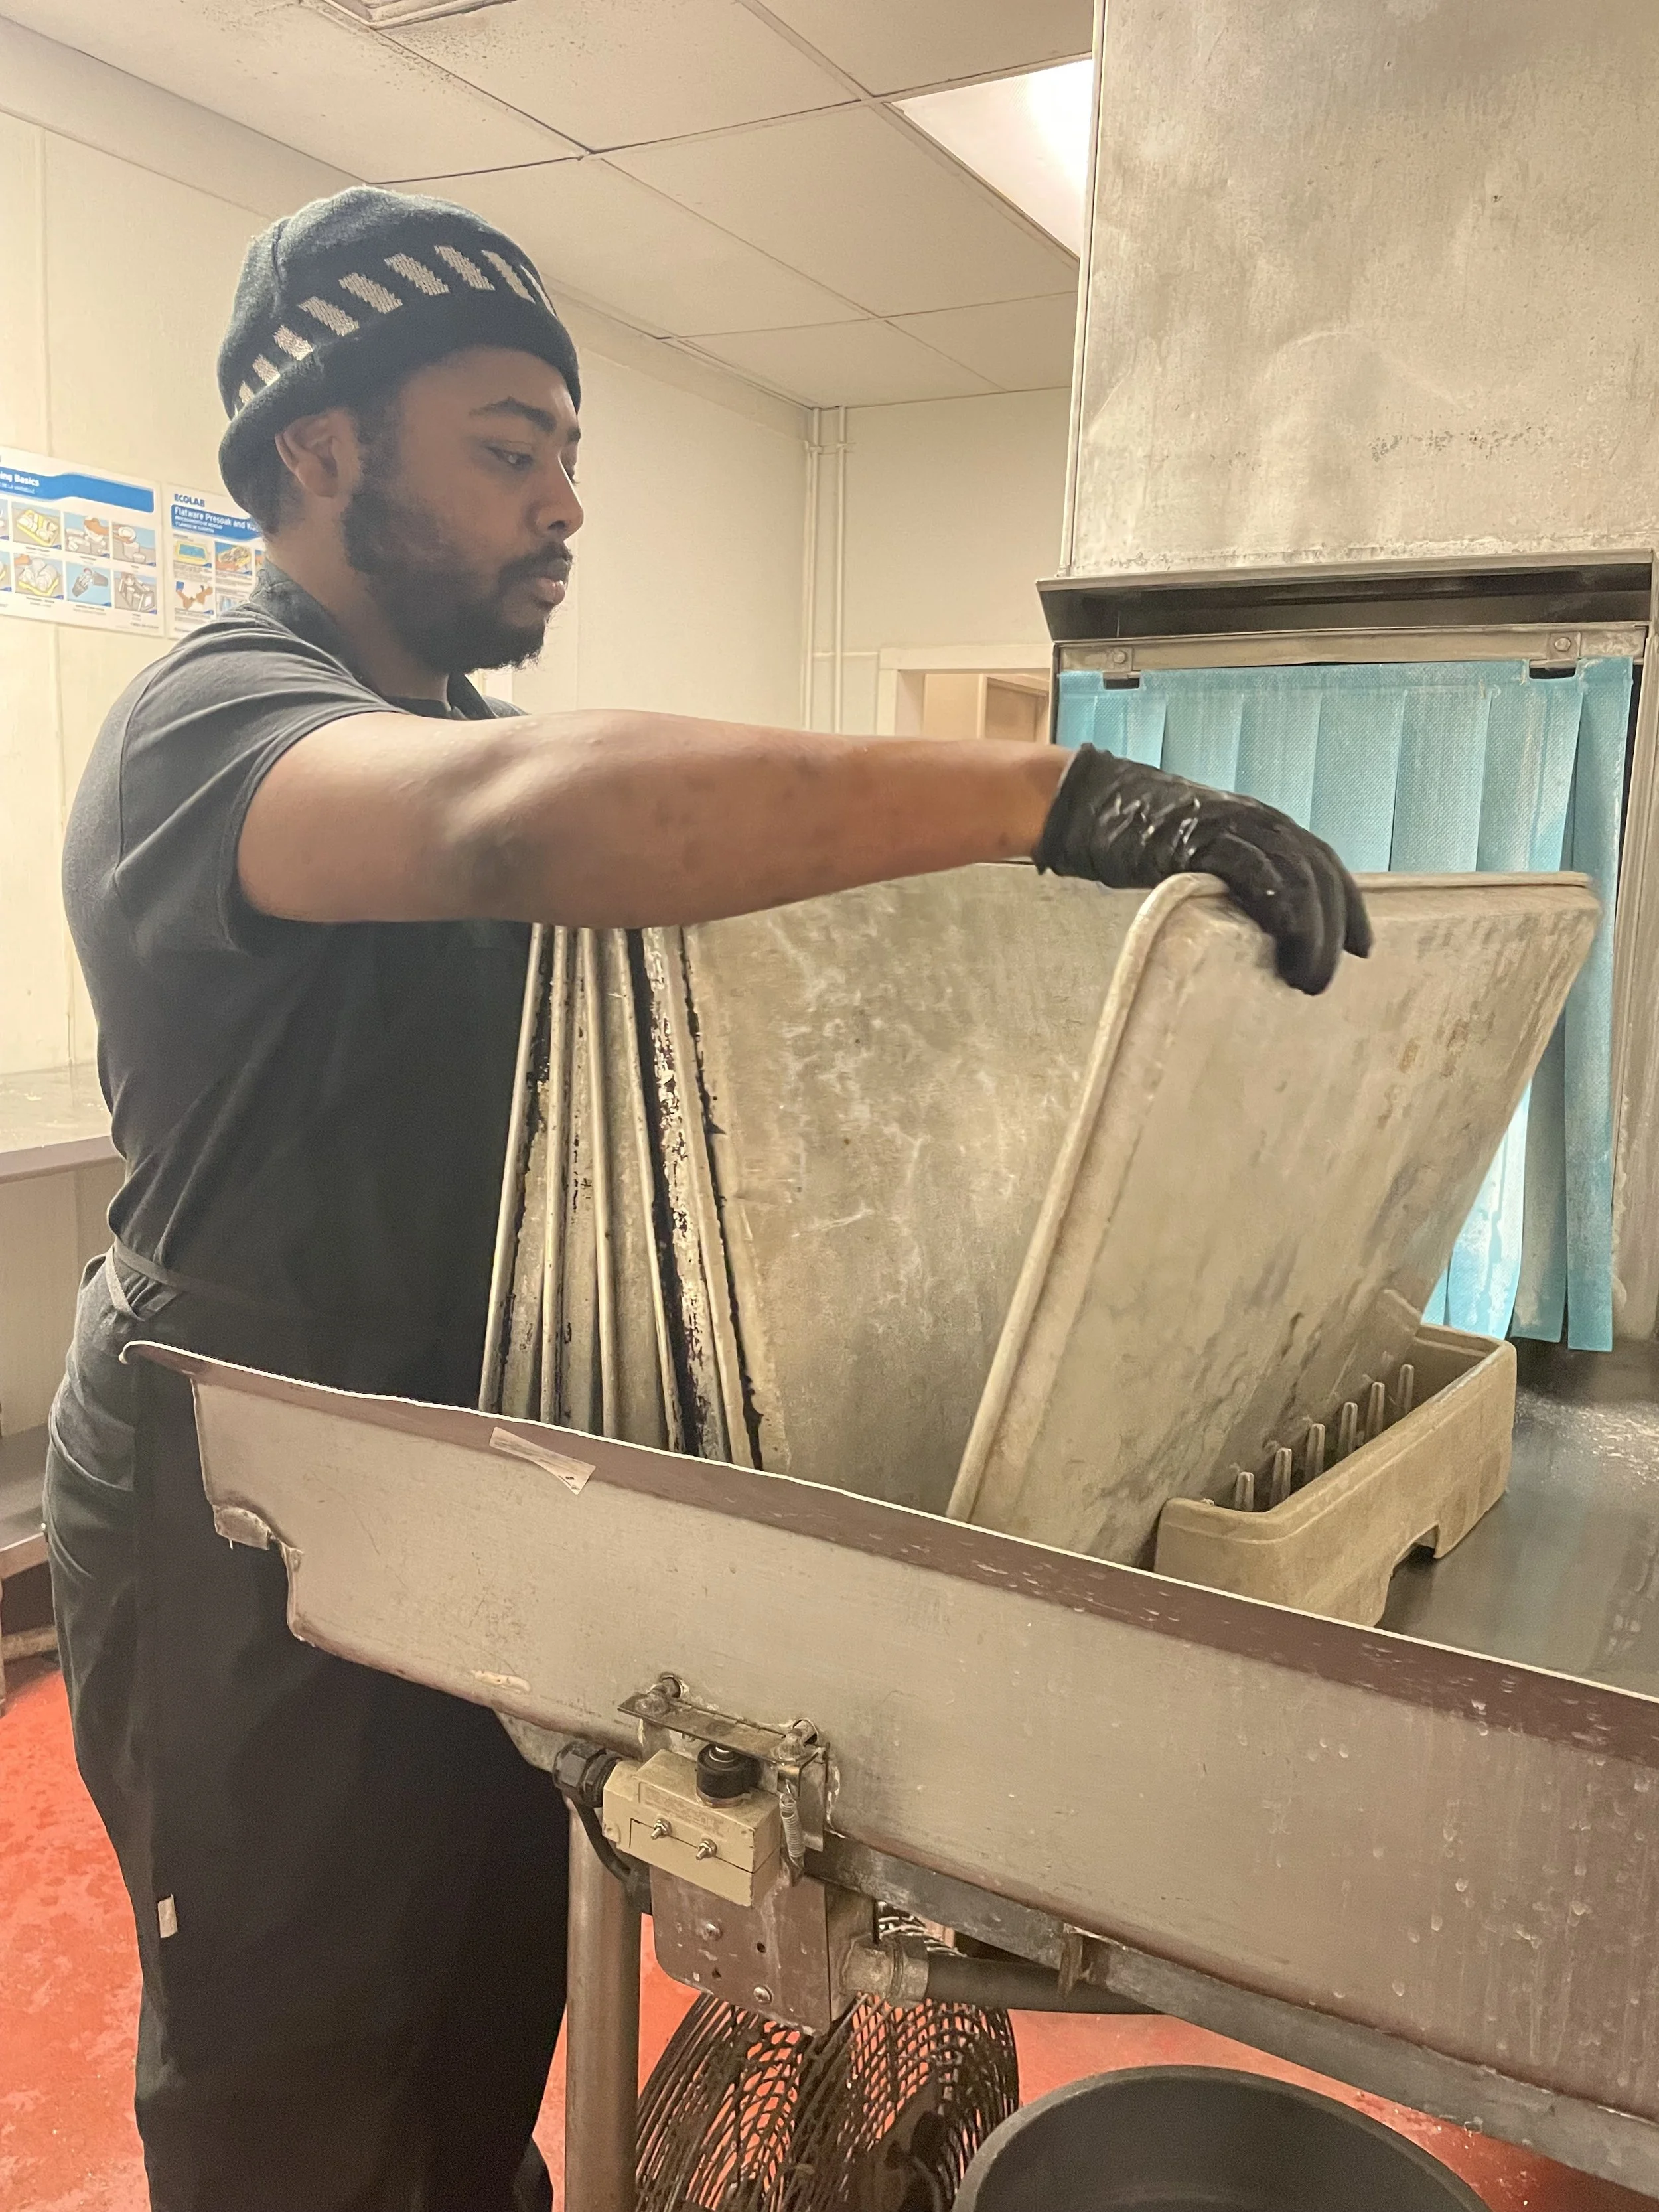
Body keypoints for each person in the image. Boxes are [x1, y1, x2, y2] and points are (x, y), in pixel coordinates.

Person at [45, 185, 1370, 2212]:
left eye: (573, 453)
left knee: (473, 1990)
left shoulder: (431, 722)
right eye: (507, 446)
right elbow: (523, 820)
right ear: (318, 447)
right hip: (237, 1489)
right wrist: (1053, 800)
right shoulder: (210, 723)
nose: (564, 499)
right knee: (291, 2066)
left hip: (442, 1481)